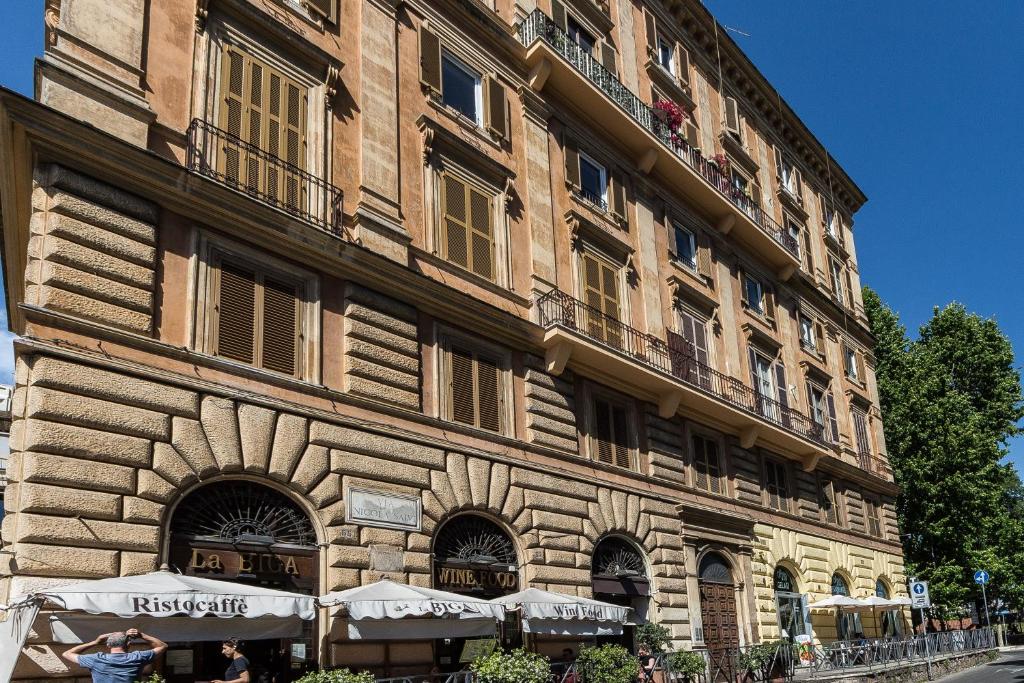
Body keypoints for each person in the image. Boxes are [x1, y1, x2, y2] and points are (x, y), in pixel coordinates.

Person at [61, 628, 167, 683]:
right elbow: (162, 646)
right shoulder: (138, 658)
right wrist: (141, 635)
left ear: (108, 645)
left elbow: (67, 654)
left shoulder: (95, 659)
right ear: (128, 644)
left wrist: (95, 642)